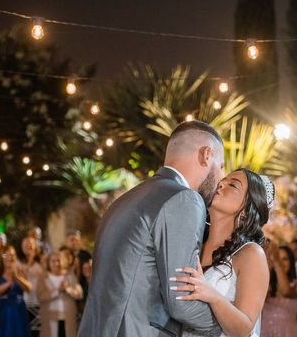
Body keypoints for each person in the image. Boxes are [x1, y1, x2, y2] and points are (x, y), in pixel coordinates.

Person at [78, 120, 225, 337]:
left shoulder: (122, 200)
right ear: (206, 154)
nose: (221, 179)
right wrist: (228, 325)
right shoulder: (185, 199)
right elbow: (180, 301)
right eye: (221, 166)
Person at [172, 168, 274, 337]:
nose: (220, 185)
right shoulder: (194, 243)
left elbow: (244, 328)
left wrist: (213, 295)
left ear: (247, 207)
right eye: (222, 181)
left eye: (232, 185)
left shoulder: (250, 254)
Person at [260, 243, 297, 337]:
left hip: (286, 332)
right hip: (264, 330)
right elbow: (259, 300)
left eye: (285, 259)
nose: (281, 262)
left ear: (291, 262)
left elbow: (286, 291)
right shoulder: (268, 283)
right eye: (278, 258)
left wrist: (277, 262)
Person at [0, 246, 32, 337]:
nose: (9, 257)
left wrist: (17, 278)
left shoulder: (20, 271)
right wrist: (9, 283)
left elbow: (29, 288)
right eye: (6, 255)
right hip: (3, 309)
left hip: (19, 308)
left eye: (12, 255)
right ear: (1, 257)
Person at [37, 252, 82, 337]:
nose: (56, 263)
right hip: (49, 318)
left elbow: (79, 294)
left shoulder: (70, 276)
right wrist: (58, 291)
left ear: (63, 262)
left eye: (58, 260)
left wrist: (67, 290)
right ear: (48, 263)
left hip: (68, 318)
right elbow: (40, 296)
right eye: (53, 261)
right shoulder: (43, 277)